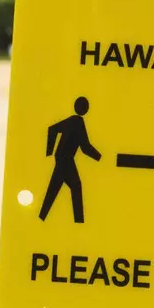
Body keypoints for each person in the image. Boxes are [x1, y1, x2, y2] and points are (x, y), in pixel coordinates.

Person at [39, 96, 102, 224]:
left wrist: (50, 153)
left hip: (61, 159)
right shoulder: (78, 122)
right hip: (66, 160)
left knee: (58, 189)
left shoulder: (72, 120)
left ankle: (44, 217)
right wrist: (100, 157)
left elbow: (52, 129)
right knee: (72, 187)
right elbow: (85, 147)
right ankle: (78, 222)